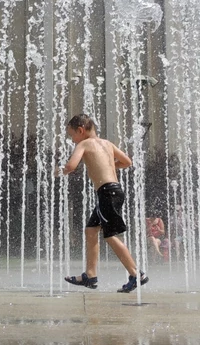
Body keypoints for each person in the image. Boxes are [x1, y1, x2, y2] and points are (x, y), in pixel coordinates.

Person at [60, 113, 148, 293]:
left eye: (72, 135)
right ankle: (90, 276)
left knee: (110, 235)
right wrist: (107, 165)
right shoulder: (107, 143)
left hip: (107, 193)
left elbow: (71, 167)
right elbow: (127, 162)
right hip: (114, 191)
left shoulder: (83, 144)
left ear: (81, 130)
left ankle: (136, 274)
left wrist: (57, 171)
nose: (72, 139)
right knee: (91, 230)